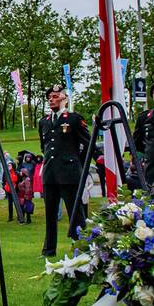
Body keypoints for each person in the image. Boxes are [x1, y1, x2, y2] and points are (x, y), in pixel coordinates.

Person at [38, 84, 90, 257]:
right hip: (50, 173)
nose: (52, 99)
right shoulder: (44, 121)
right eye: (50, 97)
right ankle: (49, 249)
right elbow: (43, 146)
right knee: (50, 214)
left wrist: (76, 163)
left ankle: (81, 245)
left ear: (64, 98)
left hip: (69, 173)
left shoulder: (73, 119)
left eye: (55, 96)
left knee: (75, 212)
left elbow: (87, 144)